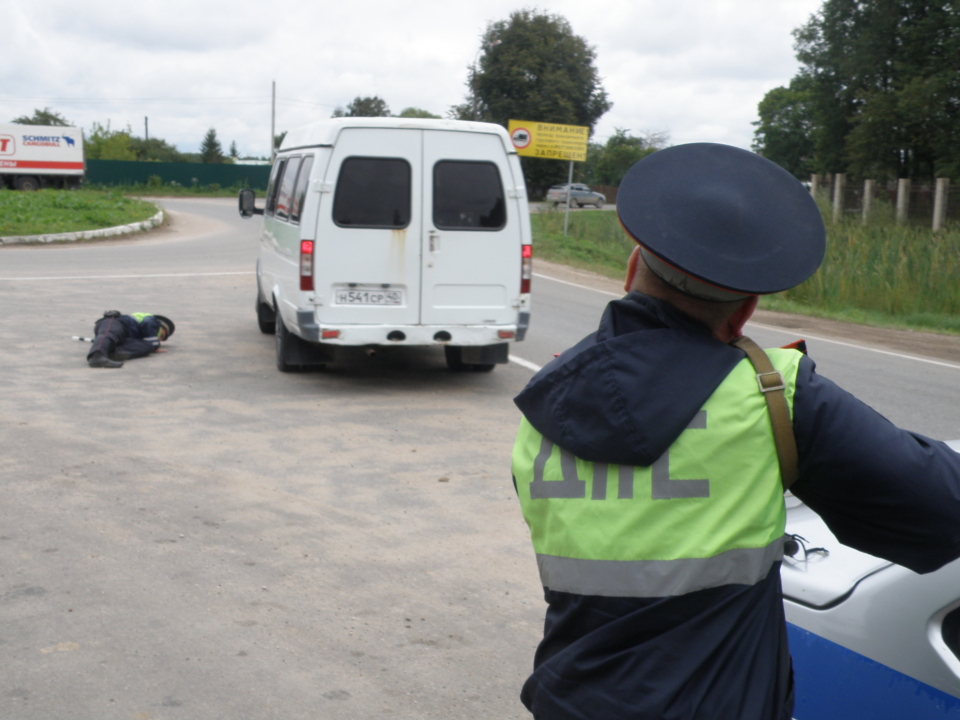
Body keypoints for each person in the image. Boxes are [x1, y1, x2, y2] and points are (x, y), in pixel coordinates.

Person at [510, 143, 960, 720]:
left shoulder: (544, 403)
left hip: (566, 702)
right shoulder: (776, 394)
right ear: (744, 312)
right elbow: (942, 509)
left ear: (629, 271)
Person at [87, 311, 175, 368]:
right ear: (160, 325)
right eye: (161, 336)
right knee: (111, 333)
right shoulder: (151, 319)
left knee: (147, 346)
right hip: (116, 322)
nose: (159, 339)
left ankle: (112, 353)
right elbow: (148, 323)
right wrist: (155, 344)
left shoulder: (140, 336)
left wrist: (151, 346)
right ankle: (97, 356)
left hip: (125, 338)